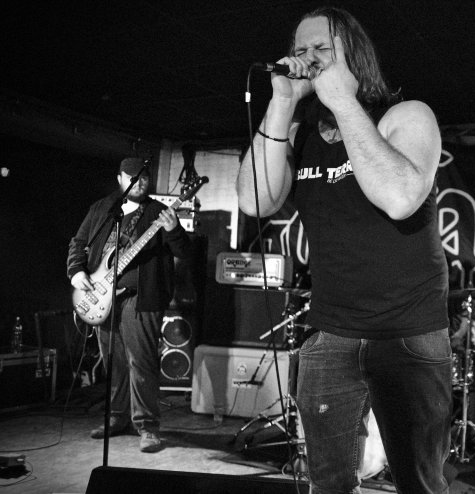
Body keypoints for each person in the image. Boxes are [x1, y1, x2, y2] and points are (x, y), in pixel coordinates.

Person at [236, 6, 451, 493]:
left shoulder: (407, 116)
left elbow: (399, 197)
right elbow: (254, 200)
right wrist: (282, 103)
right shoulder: (301, 134)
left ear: (353, 55)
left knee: (420, 483)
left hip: (407, 332)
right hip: (330, 331)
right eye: (300, 49)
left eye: (321, 48)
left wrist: (342, 100)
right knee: (328, 483)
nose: (307, 58)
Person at [67, 157, 191, 453]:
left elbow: (184, 251)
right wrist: (76, 271)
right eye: (133, 177)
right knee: (114, 363)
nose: (140, 182)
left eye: (144, 177)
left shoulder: (158, 212)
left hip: (141, 299)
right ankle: (116, 418)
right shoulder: (103, 209)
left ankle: (147, 426)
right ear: (120, 178)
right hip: (102, 296)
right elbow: (78, 242)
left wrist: (173, 230)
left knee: (142, 363)